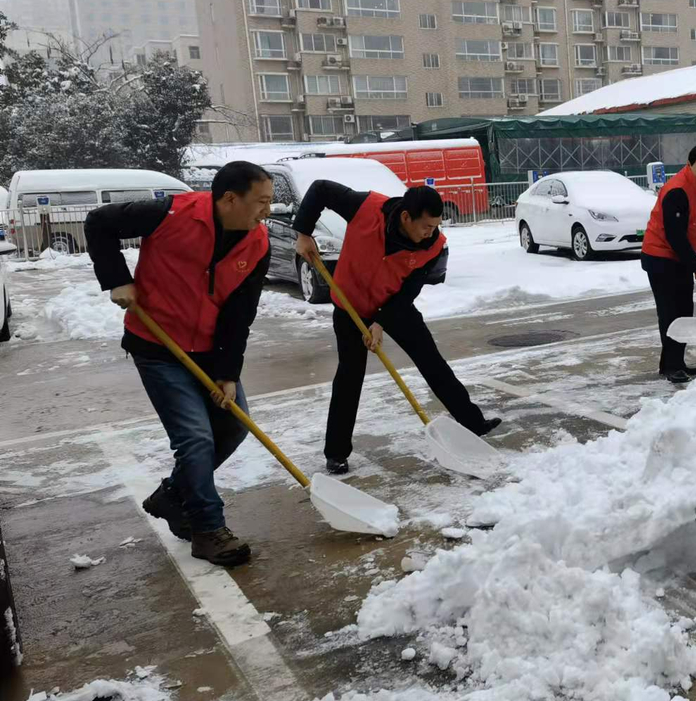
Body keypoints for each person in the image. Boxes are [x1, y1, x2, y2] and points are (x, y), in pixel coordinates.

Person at [84, 162, 274, 567]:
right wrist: (117, 278)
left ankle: (171, 495)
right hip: (157, 346)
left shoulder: (257, 244)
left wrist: (227, 375)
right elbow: (98, 222)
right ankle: (207, 529)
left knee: (233, 427)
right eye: (261, 201)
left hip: (208, 350)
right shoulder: (169, 213)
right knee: (195, 439)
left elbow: (240, 314)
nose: (267, 211)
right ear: (228, 199)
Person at [293, 183, 500, 475]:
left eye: (435, 226)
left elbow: (407, 292)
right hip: (349, 306)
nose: (431, 232)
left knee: (432, 362)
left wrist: (380, 322)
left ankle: (473, 423)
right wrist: (303, 233)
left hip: (394, 307)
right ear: (406, 217)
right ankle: (336, 452)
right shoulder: (365, 207)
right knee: (349, 377)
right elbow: (320, 190)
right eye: (426, 226)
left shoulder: (433, 247)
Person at [641, 142, 696, 384]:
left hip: (679, 256)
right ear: (689, 165)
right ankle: (671, 366)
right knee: (670, 313)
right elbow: (674, 235)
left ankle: (675, 362)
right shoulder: (677, 190)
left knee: (684, 310)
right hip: (660, 257)